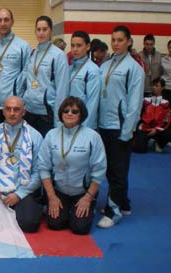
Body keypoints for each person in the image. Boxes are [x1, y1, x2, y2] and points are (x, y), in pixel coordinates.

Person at [97, 25, 144, 229]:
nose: (116, 44)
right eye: (113, 40)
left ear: (129, 41)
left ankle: (113, 212)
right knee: (108, 169)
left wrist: (127, 131)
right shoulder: (105, 65)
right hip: (103, 125)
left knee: (118, 170)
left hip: (120, 126)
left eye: (120, 40)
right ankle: (123, 203)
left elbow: (135, 104)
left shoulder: (134, 69)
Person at [38, 97, 106, 235]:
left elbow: (99, 171)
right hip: (59, 191)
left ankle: (89, 204)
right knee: (55, 224)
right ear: (61, 113)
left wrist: (87, 198)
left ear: (81, 115)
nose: (69, 113)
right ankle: (63, 207)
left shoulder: (93, 137)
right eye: (66, 110)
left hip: (82, 192)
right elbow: (43, 167)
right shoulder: (51, 135)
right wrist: (51, 197)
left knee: (80, 228)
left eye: (75, 111)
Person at [0, 96, 43, 233]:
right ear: (3, 111)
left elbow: (39, 172)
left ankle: (16, 209)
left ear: (24, 112)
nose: (12, 113)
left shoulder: (35, 136)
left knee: (30, 224)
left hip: (22, 189)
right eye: (8, 109)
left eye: (16, 109)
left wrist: (19, 194)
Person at [0, 8, 31, 130]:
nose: (3, 23)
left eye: (6, 20)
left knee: (15, 144)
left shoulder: (23, 46)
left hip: (13, 107)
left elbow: (27, 75)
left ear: (12, 21)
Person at [22, 16, 69, 137]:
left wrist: (59, 120)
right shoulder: (33, 53)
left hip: (47, 114)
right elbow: (25, 80)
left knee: (46, 152)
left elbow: (62, 90)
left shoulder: (59, 56)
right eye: (38, 29)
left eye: (45, 29)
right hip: (29, 112)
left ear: (51, 31)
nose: (41, 33)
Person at [69, 31, 102, 129]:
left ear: (88, 46)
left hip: (84, 124)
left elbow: (92, 103)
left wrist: (84, 128)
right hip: (69, 121)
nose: (75, 49)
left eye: (79, 45)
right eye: (73, 45)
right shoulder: (69, 69)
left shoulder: (93, 70)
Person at [133, 78, 171, 153]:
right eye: (153, 85)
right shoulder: (145, 100)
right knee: (140, 150)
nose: (154, 87)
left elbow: (166, 121)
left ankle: (158, 144)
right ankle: (145, 141)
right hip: (145, 129)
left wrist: (156, 129)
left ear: (162, 88)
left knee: (168, 133)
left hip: (158, 130)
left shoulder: (166, 103)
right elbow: (138, 115)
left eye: (157, 86)